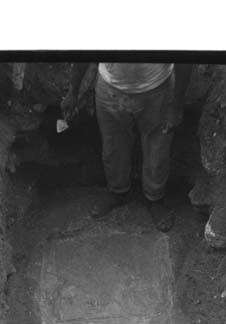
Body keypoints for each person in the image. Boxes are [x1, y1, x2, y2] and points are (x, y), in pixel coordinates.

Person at [62, 62, 192, 231]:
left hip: (158, 89)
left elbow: (185, 59)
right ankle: (117, 192)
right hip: (110, 88)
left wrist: (176, 107)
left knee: (157, 150)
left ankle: (155, 198)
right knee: (113, 147)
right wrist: (72, 92)